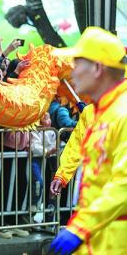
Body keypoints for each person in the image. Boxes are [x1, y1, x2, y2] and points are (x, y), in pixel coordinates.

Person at [49, 27, 127, 255]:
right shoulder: (99, 112)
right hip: (99, 241)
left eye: (77, 63)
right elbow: (76, 147)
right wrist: (63, 174)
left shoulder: (122, 113)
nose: (72, 73)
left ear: (97, 68)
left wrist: (80, 229)